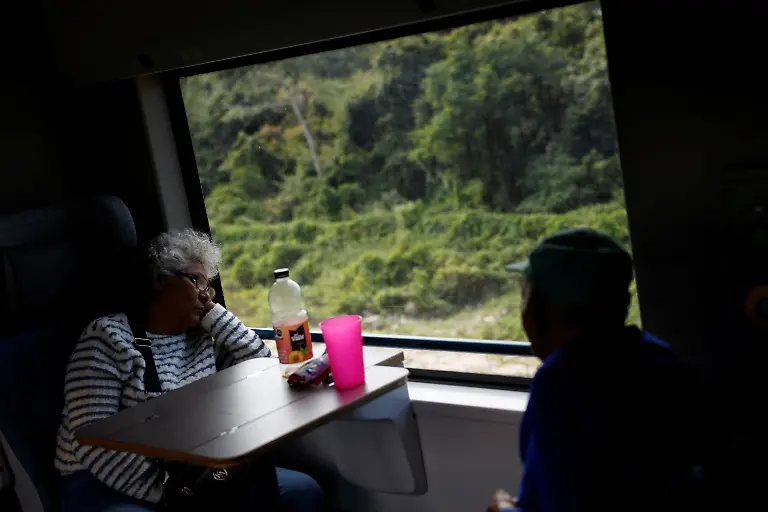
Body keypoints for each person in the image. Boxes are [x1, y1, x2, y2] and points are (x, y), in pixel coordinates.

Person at [55, 229, 324, 512]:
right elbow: (92, 438)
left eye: (209, 287)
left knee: (302, 492)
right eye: (196, 281)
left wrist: (216, 315)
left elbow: (262, 371)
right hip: (102, 478)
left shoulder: (205, 336)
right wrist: (172, 496)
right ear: (161, 280)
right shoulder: (107, 337)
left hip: (192, 470)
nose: (205, 296)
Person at [487, 228, 705, 512]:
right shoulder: (662, 359)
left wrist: (502, 509)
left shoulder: (561, 383)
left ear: (539, 310)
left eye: (525, 295)